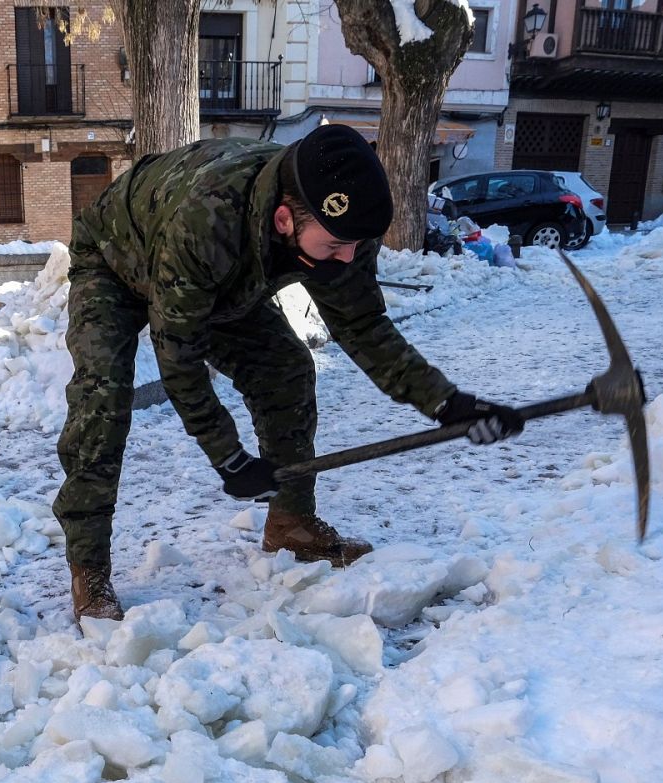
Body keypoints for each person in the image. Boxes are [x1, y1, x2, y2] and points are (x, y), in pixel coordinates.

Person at [53, 124, 525, 623]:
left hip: (219, 278)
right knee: (101, 402)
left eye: (354, 247)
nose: (348, 258)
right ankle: (89, 567)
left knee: (288, 368)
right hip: (115, 257)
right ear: (285, 218)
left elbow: (363, 326)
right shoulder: (209, 218)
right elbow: (179, 356)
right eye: (336, 247)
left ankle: (291, 521)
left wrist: (448, 403)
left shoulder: (344, 221)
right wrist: (229, 458)